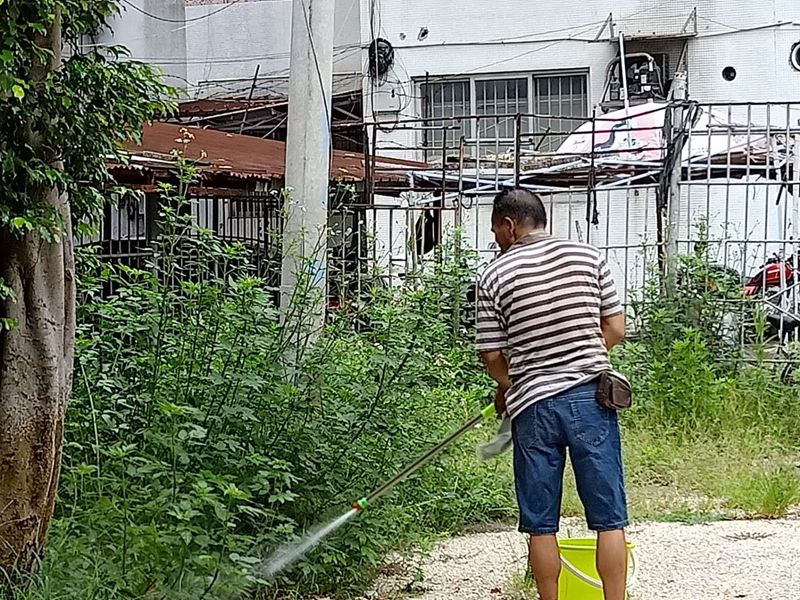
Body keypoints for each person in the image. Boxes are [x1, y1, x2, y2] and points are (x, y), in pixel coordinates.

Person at [475, 189, 628, 600]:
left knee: (541, 523)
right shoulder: (589, 257)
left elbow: (491, 355)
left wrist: (511, 385)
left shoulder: (493, 276)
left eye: (495, 230)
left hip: (533, 408)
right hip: (591, 399)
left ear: (509, 225)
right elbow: (615, 329)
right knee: (609, 518)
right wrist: (579, 357)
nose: (495, 239)